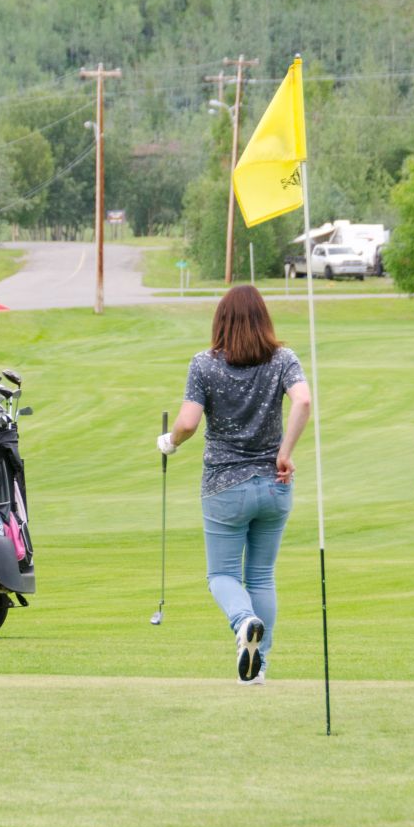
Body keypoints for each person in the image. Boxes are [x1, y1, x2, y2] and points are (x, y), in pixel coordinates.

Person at [156, 286, 312, 684]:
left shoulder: (204, 365)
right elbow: (304, 402)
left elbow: (188, 423)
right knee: (261, 576)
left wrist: (169, 442)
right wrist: (286, 451)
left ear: (221, 321)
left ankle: (244, 622)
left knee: (222, 575)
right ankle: (258, 669)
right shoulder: (283, 359)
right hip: (275, 485)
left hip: (224, 485)